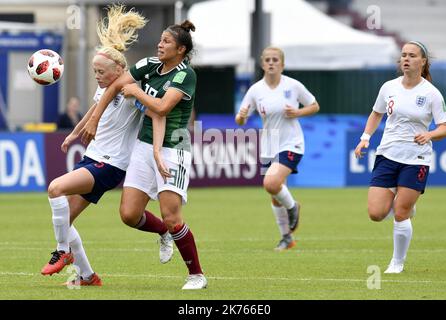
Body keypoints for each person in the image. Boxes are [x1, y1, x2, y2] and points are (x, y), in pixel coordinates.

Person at [40, 4, 173, 286]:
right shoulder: (104, 88)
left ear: (120, 71)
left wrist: (157, 151)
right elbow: (92, 113)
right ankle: (88, 276)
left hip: (110, 165)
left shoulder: (130, 92)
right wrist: (74, 134)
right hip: (93, 158)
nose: (97, 76)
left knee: (55, 188)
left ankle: (63, 253)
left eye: (102, 71)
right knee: (67, 221)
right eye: (94, 71)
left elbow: (156, 113)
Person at [80, 20, 207, 290]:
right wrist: (93, 120)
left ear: (181, 49)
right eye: (160, 40)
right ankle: (163, 233)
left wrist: (137, 91)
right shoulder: (150, 64)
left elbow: (161, 108)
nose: (160, 44)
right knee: (128, 213)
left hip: (174, 148)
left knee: (172, 216)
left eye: (166, 42)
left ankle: (196, 275)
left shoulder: (186, 75)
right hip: (144, 145)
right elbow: (114, 86)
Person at [354, 41, 446, 274]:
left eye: (412, 55)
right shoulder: (388, 87)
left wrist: (429, 134)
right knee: (375, 214)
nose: (406, 59)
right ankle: (404, 207)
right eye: (403, 55)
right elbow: (376, 113)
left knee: (401, 213)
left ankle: (397, 262)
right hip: (387, 154)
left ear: (423, 61)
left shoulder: (431, 93)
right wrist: (365, 137)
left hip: (416, 158)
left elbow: (445, 127)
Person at [235, 47, 320, 251]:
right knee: (275, 194)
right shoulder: (256, 90)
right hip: (269, 145)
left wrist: (297, 112)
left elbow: (314, 106)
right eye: (268, 60)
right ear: (263, 64)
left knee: (272, 183)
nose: (271, 63)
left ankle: (293, 207)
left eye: (275, 60)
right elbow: (239, 120)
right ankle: (286, 238)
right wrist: (242, 116)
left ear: (282, 64)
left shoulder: (293, 85)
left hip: (291, 142)